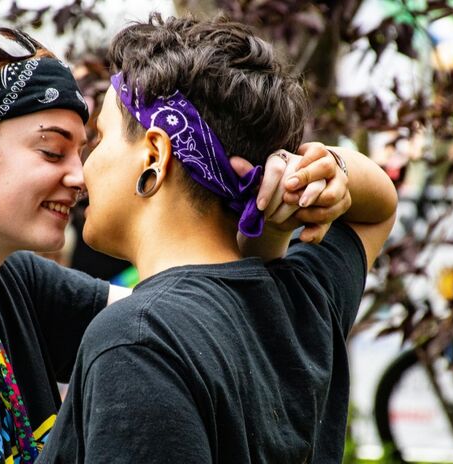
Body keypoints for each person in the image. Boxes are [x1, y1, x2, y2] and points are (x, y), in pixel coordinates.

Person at [0, 28, 344, 463]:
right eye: (53, 152)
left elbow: (205, 315)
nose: (79, 176)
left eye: (84, 149)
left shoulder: (16, 287)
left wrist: (294, 187)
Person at [38, 14, 397, 463]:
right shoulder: (303, 299)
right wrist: (329, 172)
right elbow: (378, 209)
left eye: (99, 137)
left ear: (154, 154)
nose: (82, 168)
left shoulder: (138, 342)